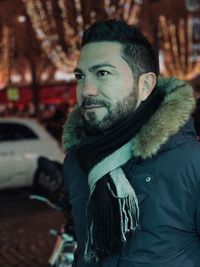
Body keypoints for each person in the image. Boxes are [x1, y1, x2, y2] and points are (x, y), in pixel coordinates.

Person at [62, 20, 200, 267]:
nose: (86, 90)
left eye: (102, 73)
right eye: (80, 76)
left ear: (145, 85)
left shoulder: (191, 162)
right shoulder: (78, 160)